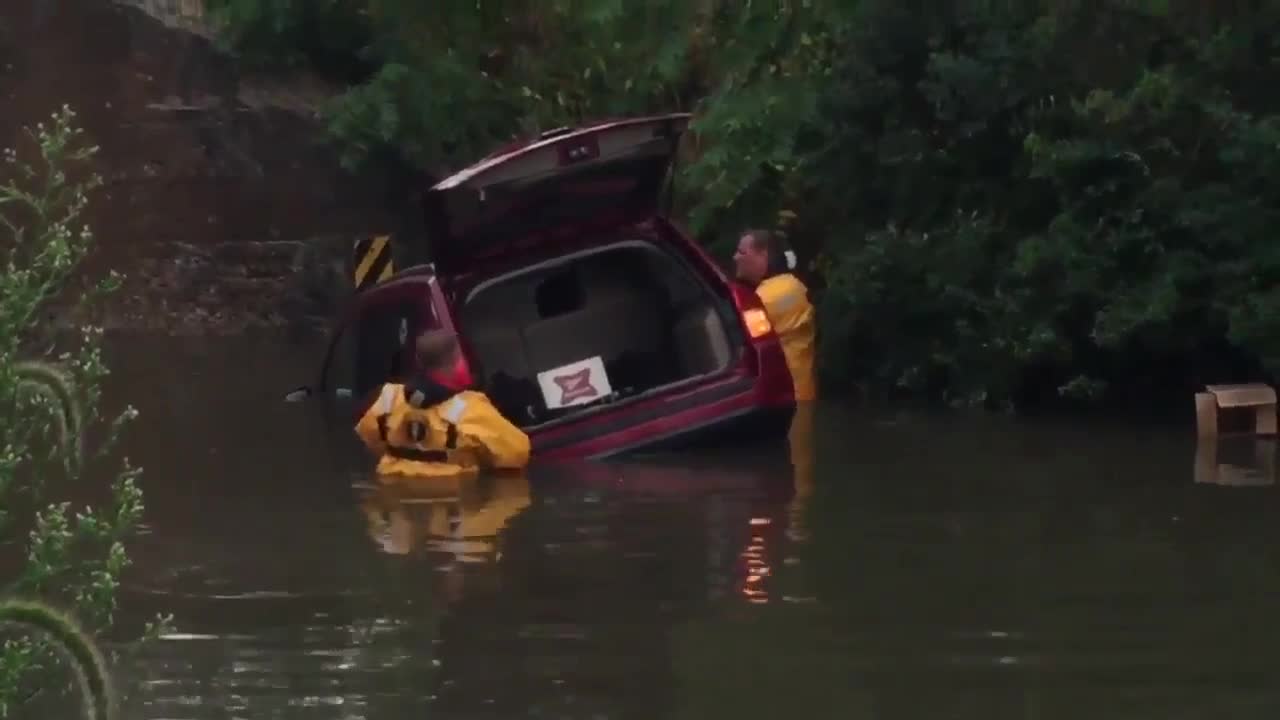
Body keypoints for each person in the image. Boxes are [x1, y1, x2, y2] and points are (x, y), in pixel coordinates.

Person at [354, 328, 531, 479]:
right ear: (458, 363)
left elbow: (369, 435)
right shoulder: (471, 409)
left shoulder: (389, 397)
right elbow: (517, 453)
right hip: (454, 499)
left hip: (395, 496)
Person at [732, 228, 817, 403]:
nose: (735, 257)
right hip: (802, 395)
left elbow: (736, 335)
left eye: (741, 252)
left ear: (762, 256)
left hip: (784, 402)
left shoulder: (764, 299)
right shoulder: (796, 286)